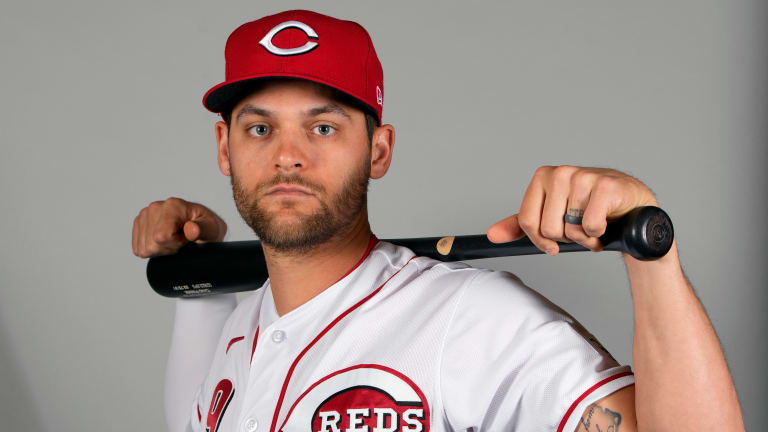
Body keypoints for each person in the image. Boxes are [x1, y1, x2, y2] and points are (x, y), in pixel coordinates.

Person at [131, 9, 744, 432]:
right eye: (260, 128)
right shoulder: (239, 331)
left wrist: (651, 255)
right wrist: (198, 282)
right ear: (225, 148)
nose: (288, 155)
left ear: (378, 151)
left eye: (323, 127)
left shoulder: (466, 317)